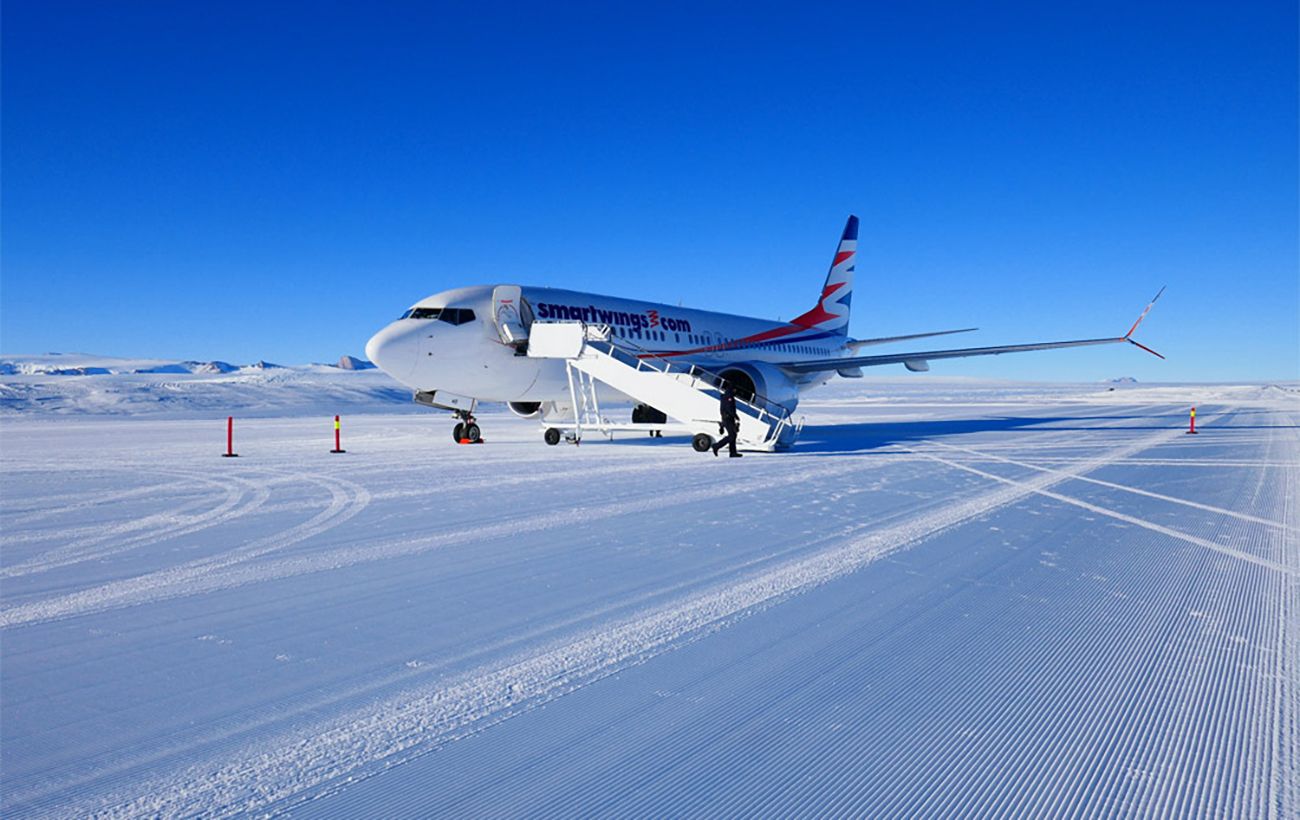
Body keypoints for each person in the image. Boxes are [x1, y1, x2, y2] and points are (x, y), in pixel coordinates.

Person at [712, 382, 742, 458]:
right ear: (733, 389)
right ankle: (716, 446)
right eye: (735, 390)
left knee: (733, 435)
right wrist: (736, 416)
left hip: (727, 418)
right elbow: (730, 408)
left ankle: (733, 453)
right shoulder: (729, 397)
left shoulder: (726, 396)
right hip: (728, 418)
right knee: (732, 435)